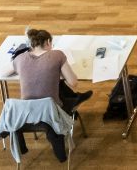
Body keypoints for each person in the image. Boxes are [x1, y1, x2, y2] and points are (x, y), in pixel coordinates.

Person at [9, 28, 92, 162]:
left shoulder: (20, 58)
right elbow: (73, 82)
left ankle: (76, 98)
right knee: (62, 89)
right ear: (48, 42)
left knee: (57, 86)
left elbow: (4, 72)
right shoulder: (57, 55)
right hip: (51, 113)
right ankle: (76, 99)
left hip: (27, 114)